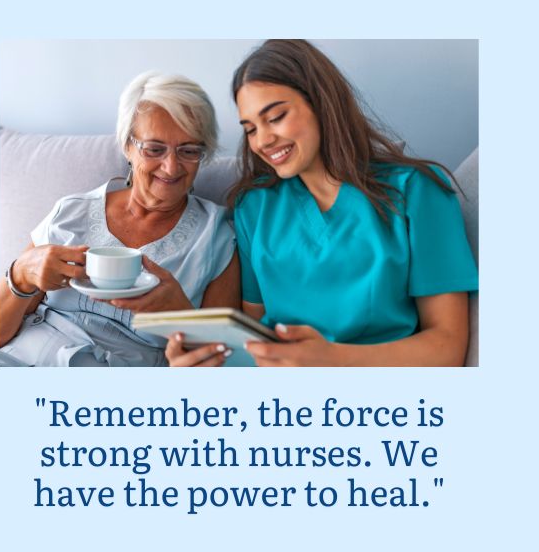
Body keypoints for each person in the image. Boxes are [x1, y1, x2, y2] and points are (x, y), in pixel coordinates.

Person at [166, 40, 477, 367]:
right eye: (251, 129)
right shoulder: (253, 206)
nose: (263, 141)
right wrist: (202, 358)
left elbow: (447, 346)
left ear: (322, 103)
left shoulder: (416, 192)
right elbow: (251, 334)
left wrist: (331, 359)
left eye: (276, 117)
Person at [0, 71, 239, 366]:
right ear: (128, 145)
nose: (171, 166)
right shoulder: (70, 213)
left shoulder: (217, 237)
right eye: (154, 149)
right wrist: (21, 275)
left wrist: (179, 312)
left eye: (189, 151)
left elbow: (219, 366)